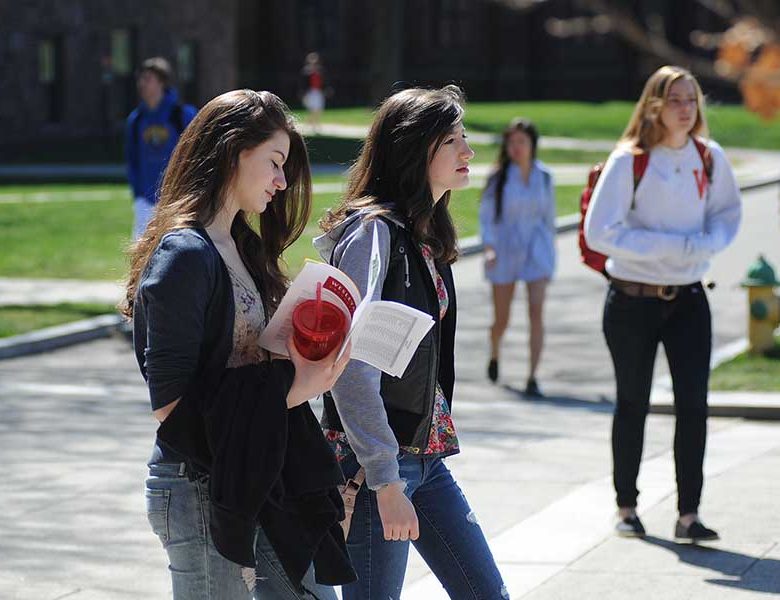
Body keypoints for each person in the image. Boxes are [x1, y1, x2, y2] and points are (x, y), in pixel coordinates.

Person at [122, 89, 356, 599]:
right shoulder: (186, 254)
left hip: (249, 471)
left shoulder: (241, 247)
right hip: (197, 482)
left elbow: (238, 363)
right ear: (233, 150)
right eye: (274, 162)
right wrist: (290, 388)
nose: (282, 181)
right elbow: (170, 405)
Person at [314, 85, 508, 600]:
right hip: (378, 463)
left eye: (465, 138)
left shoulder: (421, 235)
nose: (468, 152)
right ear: (413, 149)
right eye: (452, 141)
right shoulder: (374, 236)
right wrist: (384, 480)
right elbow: (351, 368)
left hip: (427, 455)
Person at [584, 66, 741, 542]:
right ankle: (627, 507)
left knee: (694, 405)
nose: (686, 108)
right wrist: (670, 246)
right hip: (633, 301)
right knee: (633, 402)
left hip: (690, 299)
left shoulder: (708, 157)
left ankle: (688, 514)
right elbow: (599, 231)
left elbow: (727, 214)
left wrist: (705, 243)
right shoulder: (629, 160)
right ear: (653, 104)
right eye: (675, 99)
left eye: (691, 99)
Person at [479, 118, 556, 395]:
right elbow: (486, 219)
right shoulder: (498, 178)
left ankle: (533, 376)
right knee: (503, 318)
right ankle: (495, 352)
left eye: (521, 142)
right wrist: (488, 248)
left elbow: (549, 221)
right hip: (504, 251)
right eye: (511, 142)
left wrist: (550, 258)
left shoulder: (545, 177)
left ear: (532, 144)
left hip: (537, 252)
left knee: (536, 312)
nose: (516, 148)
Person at [125, 57, 197, 239]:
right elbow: (131, 158)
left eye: (148, 79)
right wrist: (138, 193)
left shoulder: (181, 115)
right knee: (140, 258)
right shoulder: (137, 119)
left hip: (176, 199)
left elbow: (197, 153)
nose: (142, 84)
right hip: (145, 201)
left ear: (162, 82)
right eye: (140, 79)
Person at [301, 52, 326, 131]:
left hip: (318, 92)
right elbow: (302, 84)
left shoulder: (320, 71)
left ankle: (310, 123)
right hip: (310, 92)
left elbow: (324, 82)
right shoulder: (306, 71)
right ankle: (314, 125)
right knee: (312, 109)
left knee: (319, 108)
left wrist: (326, 89)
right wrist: (303, 93)